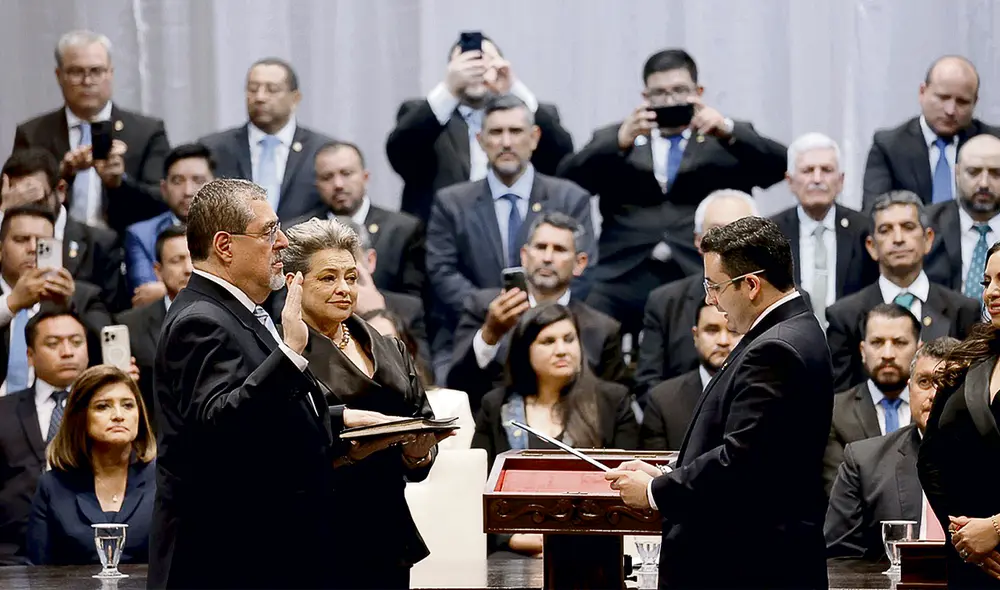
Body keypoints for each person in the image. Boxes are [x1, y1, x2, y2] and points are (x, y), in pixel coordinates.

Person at [149, 179, 393, 589]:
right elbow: (220, 426)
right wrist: (291, 352)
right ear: (225, 246)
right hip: (222, 560)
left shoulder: (237, 311)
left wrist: (340, 421)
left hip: (259, 552)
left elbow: (263, 416)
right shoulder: (201, 320)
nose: (282, 242)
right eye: (268, 232)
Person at [605, 216, 832, 590]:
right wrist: (667, 473)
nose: (711, 299)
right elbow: (754, 447)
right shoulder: (789, 330)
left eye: (715, 286)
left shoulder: (775, 348)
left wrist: (653, 492)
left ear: (751, 285)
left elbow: (741, 463)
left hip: (752, 567)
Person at [558, 49, 787, 338]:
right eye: (660, 93)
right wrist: (617, 142)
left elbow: (781, 167)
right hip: (623, 271)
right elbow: (568, 180)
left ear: (698, 92)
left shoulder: (723, 139)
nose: (669, 101)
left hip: (698, 267)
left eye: (679, 91)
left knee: (712, 325)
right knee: (589, 324)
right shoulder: (619, 138)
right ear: (645, 97)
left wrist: (728, 130)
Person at [282, 218, 449, 589]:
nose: (344, 288)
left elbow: (422, 424)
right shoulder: (282, 354)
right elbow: (278, 440)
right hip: (315, 532)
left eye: (351, 277)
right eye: (328, 278)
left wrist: (418, 455)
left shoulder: (389, 347)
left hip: (387, 529)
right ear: (294, 283)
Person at [472, 302, 639, 556]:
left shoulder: (612, 402)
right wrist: (512, 538)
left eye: (569, 339)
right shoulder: (496, 406)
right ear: (524, 350)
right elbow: (476, 489)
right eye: (548, 341)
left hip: (592, 547)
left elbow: (630, 483)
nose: (562, 350)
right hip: (512, 550)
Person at [386, 32, 573, 223]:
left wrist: (513, 89)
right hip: (443, 232)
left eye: (484, 60)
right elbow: (401, 155)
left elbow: (561, 159)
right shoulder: (427, 116)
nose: (476, 68)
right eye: (466, 62)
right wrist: (448, 90)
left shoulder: (538, 115)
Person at [447, 212, 622, 410]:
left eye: (559, 249)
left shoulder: (602, 330)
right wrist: (490, 335)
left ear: (579, 263)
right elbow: (457, 389)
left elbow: (613, 407)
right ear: (524, 255)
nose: (547, 258)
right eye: (540, 247)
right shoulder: (486, 309)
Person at [12, 30, 170, 233]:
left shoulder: (147, 132)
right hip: (55, 241)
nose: (87, 81)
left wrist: (119, 183)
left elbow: (162, 202)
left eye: (96, 71)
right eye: (76, 72)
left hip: (124, 244)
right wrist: (62, 174)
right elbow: (17, 204)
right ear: (59, 76)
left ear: (110, 73)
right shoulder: (32, 134)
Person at [825, 191, 980, 391]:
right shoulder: (844, 316)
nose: (898, 239)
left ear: (928, 239)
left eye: (908, 227)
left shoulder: (962, 310)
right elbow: (841, 399)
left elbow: (969, 391)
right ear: (871, 246)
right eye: (885, 230)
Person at [825, 336, 959, 559]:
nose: (935, 395)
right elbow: (840, 558)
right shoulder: (864, 462)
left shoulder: (993, 458)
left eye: (949, 383)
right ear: (910, 389)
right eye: (924, 382)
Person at [919, 240, 1000, 588]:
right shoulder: (969, 358)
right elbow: (930, 461)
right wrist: (964, 536)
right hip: (969, 561)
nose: (991, 292)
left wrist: (996, 529)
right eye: (987, 282)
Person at [26, 365, 155, 565]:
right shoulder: (52, 487)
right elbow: (38, 571)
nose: (118, 415)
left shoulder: (164, 480)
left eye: (128, 405)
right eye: (103, 406)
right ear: (80, 417)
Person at [635, 189, 758, 399]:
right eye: (717, 231)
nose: (728, 241)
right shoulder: (665, 303)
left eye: (740, 229)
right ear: (698, 240)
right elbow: (649, 385)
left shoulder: (786, 297)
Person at [0, 308, 91, 564]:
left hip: (89, 553)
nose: (67, 352)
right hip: (11, 556)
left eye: (76, 342)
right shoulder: (3, 411)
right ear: (30, 355)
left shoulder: (108, 410)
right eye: (53, 344)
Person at [200, 58, 333, 224]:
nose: (260, 97)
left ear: (295, 98)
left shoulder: (321, 150)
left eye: (272, 89)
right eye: (253, 89)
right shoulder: (214, 148)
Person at [0, 205, 112, 395]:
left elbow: (105, 353)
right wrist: (11, 303)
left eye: (42, 242)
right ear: (1, 249)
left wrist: (69, 307)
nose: (33, 248)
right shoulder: (6, 302)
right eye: (21, 240)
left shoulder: (82, 296)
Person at [292, 141, 426, 298]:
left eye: (346, 173)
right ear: (317, 185)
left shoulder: (402, 230)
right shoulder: (300, 233)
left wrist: (370, 301)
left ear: (365, 177)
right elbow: (284, 299)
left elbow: (415, 300)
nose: (338, 184)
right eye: (327, 177)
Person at [863, 56, 1000, 209]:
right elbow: (874, 211)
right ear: (922, 92)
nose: (950, 110)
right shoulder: (890, 146)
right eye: (943, 98)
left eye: (962, 102)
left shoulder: (994, 144)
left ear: (975, 103)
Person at [770, 132, 877, 325]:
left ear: (841, 180)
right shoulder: (772, 232)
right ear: (790, 181)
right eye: (808, 171)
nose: (817, 179)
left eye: (826, 170)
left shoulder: (863, 229)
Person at [1, 148, 126, 311]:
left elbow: (111, 317)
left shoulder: (100, 244)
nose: (28, 211)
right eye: (18, 204)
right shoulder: (4, 234)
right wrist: (4, 214)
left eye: (35, 201)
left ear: (60, 191)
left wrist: (70, 302)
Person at [823, 303, 921, 494]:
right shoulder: (836, 413)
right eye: (877, 342)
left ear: (919, 350)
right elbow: (839, 494)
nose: (888, 354)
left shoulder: (935, 408)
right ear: (862, 351)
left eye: (899, 342)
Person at [640, 299, 741, 450]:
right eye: (712, 330)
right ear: (695, 335)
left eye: (733, 330)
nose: (723, 341)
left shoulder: (764, 393)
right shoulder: (663, 400)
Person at [117, 225, 192, 417]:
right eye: (177, 260)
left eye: (195, 258)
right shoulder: (131, 325)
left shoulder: (232, 314)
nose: (188, 269)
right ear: (158, 271)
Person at [124, 143, 212, 306]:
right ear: (164, 189)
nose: (188, 191)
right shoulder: (141, 235)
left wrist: (167, 289)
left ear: (216, 186)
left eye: (198, 180)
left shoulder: (233, 229)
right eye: (178, 181)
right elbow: (145, 295)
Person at [925, 134, 1000, 295]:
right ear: (957, 173)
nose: (984, 183)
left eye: (996, 173)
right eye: (973, 172)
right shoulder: (927, 223)